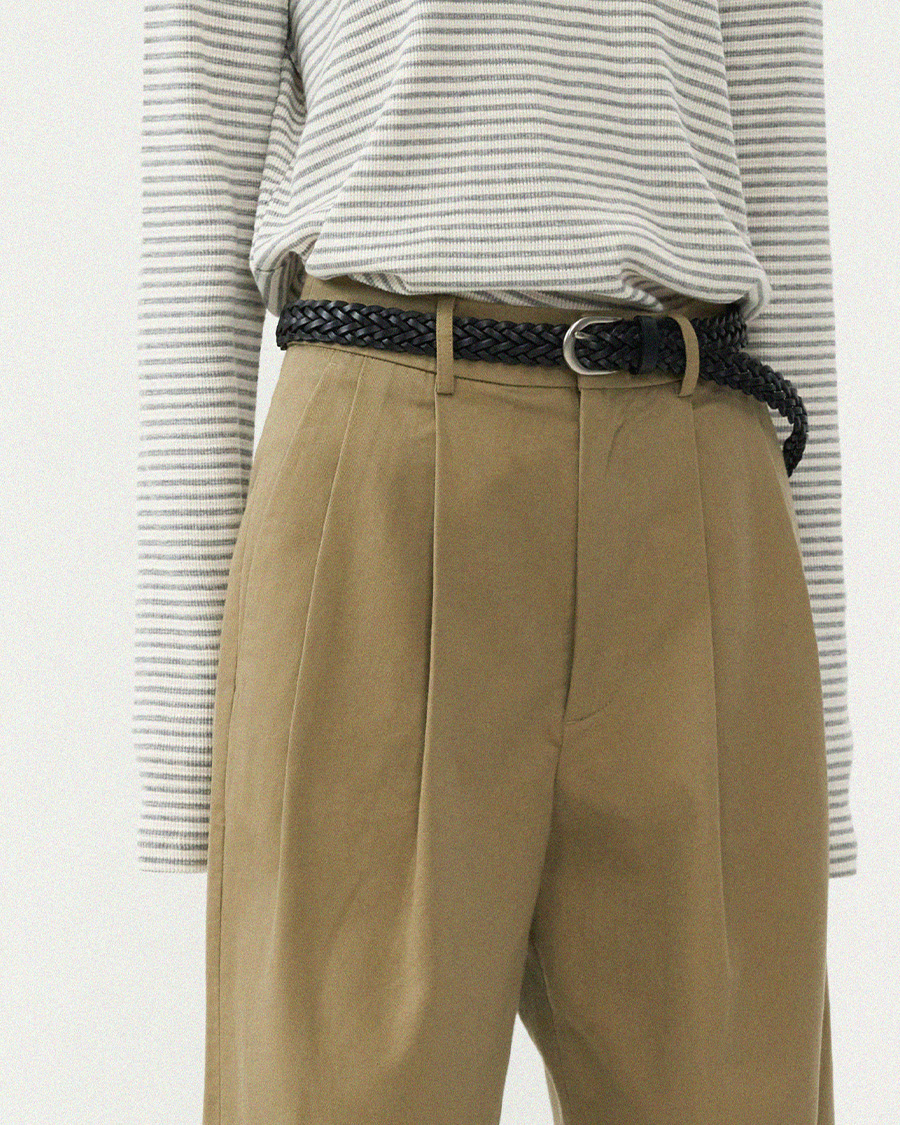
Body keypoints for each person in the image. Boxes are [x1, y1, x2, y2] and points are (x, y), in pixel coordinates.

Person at [135, 1, 857, 1121]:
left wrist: (822, 758)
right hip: (378, 482)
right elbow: (195, 218)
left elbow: (782, 190)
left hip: (699, 478)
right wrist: (192, 745)